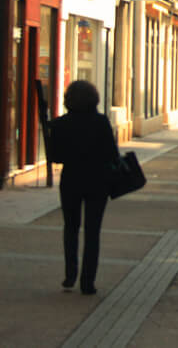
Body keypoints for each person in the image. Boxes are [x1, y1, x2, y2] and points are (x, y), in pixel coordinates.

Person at [51, 80, 118, 295]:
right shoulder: (101, 122)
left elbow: (55, 157)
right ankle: (88, 281)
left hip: (71, 180)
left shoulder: (61, 124)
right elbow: (112, 154)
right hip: (98, 182)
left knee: (70, 228)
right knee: (92, 232)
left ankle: (70, 275)